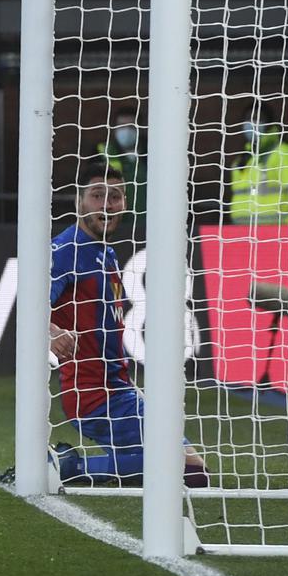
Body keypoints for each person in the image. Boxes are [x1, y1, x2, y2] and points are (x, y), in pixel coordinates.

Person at [46, 163, 207, 487]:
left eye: (115, 197)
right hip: (95, 396)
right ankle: (67, 468)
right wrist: (52, 332)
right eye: (97, 195)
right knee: (189, 471)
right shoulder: (66, 250)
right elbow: (32, 304)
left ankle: (77, 466)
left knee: (176, 469)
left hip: (118, 390)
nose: (107, 205)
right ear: (79, 201)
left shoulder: (105, 252)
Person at [229, 103, 288, 226]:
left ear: (269, 122)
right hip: (241, 231)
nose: (251, 124)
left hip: (278, 231)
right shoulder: (241, 162)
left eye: (257, 118)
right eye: (247, 119)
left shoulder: (286, 153)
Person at [95, 105, 145, 231]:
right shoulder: (102, 152)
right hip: (115, 227)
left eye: (131, 126)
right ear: (114, 128)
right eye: (122, 126)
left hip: (148, 225)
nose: (126, 131)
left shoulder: (153, 153)